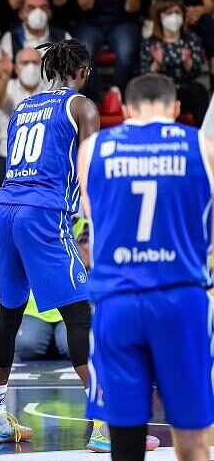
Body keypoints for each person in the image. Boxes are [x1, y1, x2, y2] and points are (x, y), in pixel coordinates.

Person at [79, 73, 214, 460]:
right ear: (176, 109)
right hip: (180, 297)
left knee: (124, 444)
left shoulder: (93, 148)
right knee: (193, 442)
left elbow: (94, 216)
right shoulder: (202, 147)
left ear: (124, 110)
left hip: (117, 301)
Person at [0, 39, 98, 447]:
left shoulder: (23, 106)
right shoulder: (81, 106)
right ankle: (107, 420)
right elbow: (90, 168)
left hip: (6, 211)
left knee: (8, 316)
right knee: (79, 317)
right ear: (82, 71)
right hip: (44, 214)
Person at [15, 217, 89, 361]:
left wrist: (65, 232)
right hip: (37, 308)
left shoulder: (82, 226)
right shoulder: (31, 225)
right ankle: (53, 339)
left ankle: (58, 340)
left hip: (72, 303)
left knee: (74, 349)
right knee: (27, 347)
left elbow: (85, 261)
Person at [0, 46, 47, 196]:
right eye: (25, 63)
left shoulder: (51, 89)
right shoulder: (8, 87)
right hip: (8, 157)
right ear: (16, 68)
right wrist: (5, 77)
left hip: (42, 157)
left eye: (35, 62)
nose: (30, 67)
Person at [74, 0, 144, 100]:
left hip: (122, 23)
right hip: (92, 24)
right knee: (83, 53)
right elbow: (85, 6)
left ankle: (117, 97)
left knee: (126, 51)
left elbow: (132, 8)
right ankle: (92, 99)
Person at [140, 0, 208, 126]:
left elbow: (196, 72)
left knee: (199, 90)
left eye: (177, 12)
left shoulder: (192, 39)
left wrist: (188, 62)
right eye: (169, 13)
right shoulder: (150, 43)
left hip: (184, 89)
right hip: (160, 91)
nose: (174, 16)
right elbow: (145, 76)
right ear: (160, 16)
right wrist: (156, 64)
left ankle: (204, 134)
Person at [152, 0, 214, 88]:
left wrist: (197, 11)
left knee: (208, 24)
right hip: (169, 25)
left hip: (195, 21)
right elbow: (157, 10)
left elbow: (210, 5)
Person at [0, 0, 70, 67]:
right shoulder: (10, 39)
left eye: (43, 7)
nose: (38, 12)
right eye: (31, 8)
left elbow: (74, 71)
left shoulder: (63, 37)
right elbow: (2, 73)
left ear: (49, 13)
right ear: (21, 14)